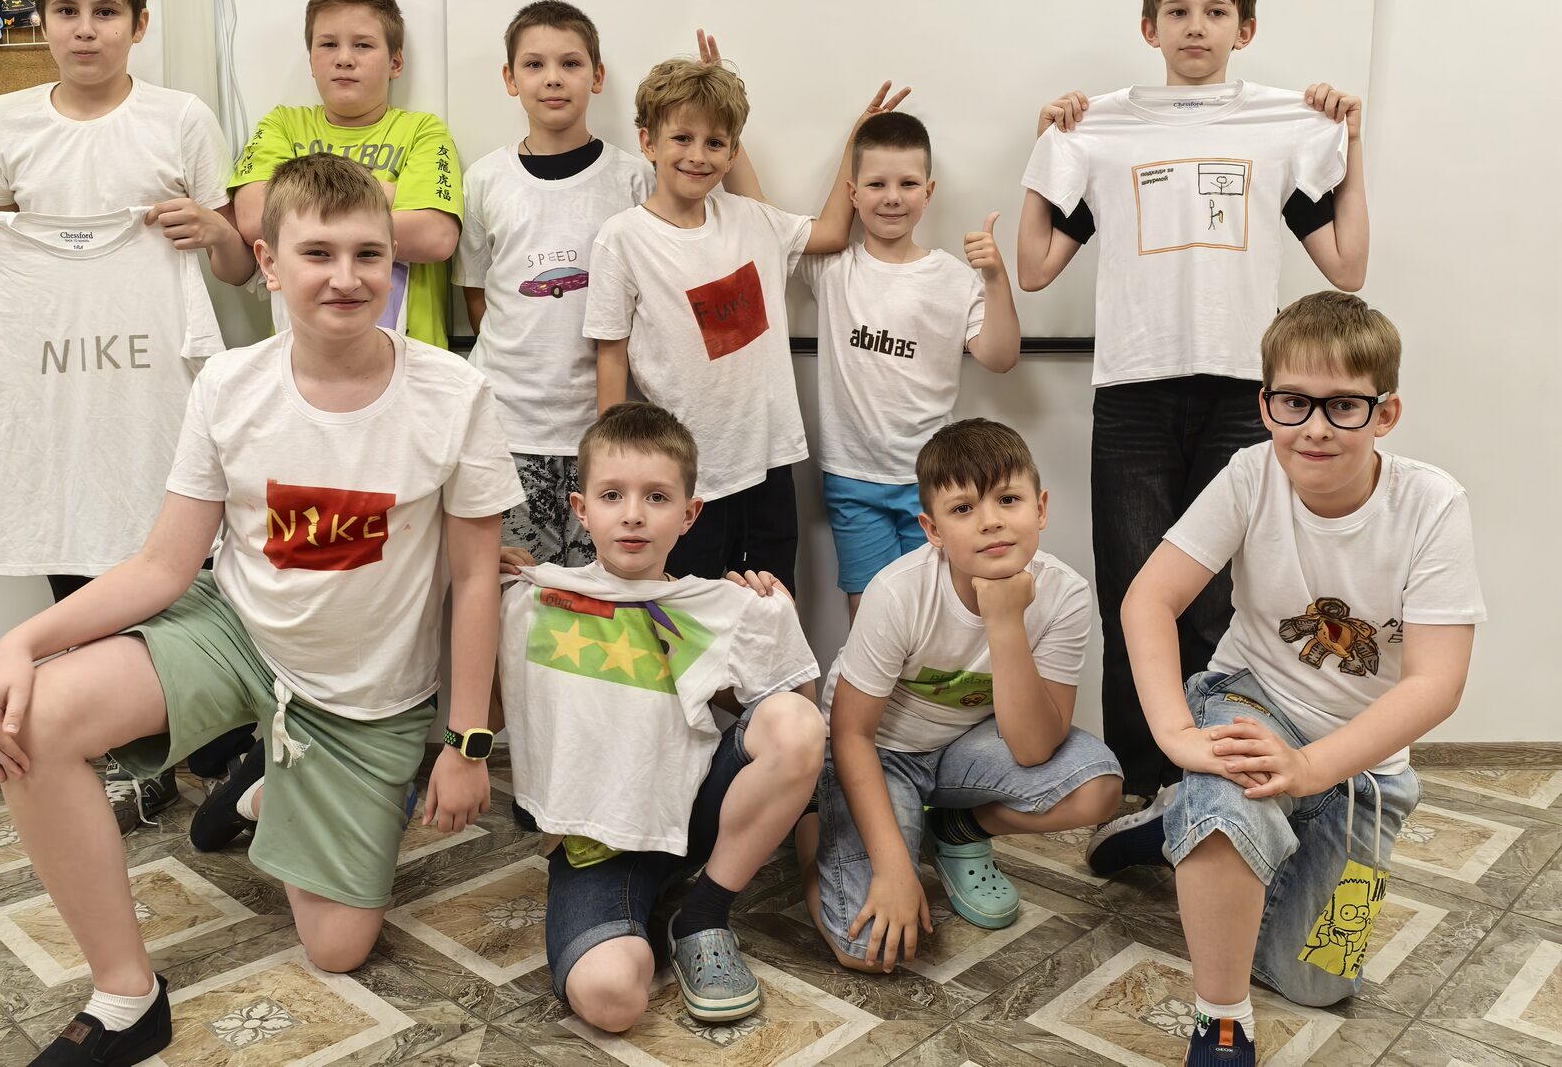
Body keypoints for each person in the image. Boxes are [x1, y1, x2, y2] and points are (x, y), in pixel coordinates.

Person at [0, 154, 523, 1067]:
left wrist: (466, 744)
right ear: (268, 263)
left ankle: (262, 789)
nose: (346, 277)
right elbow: (162, 566)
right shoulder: (229, 386)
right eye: (318, 254)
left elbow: (472, 581)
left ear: (393, 263)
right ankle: (125, 995)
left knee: (337, 948)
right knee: (38, 714)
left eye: (368, 254)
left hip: (362, 697)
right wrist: (20, 643)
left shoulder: (456, 394)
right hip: (237, 633)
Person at [1084, 292, 1483, 1066]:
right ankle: (1221, 1020)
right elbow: (1148, 600)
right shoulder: (1249, 474)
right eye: (1294, 402)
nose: (1315, 427)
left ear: (1385, 414)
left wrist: (1310, 768)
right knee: (1230, 804)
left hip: (1363, 769)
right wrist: (1177, 736)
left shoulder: (1432, 505)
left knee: (1316, 980)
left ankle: (1183, 825)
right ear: (1265, 405)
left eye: (1343, 406)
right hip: (1254, 697)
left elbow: (1436, 683)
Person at [1016, 0, 1371, 802]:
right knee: (1133, 595)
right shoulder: (1101, 130)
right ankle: (1142, 790)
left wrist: (1350, 145)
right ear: (1150, 29)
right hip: (1133, 394)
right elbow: (1033, 268)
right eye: (1178, 11)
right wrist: (1045, 151)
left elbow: (1347, 265)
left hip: (1241, 397)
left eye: (1215, 12)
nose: (1196, 26)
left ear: (1245, 30)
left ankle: (1204, 785)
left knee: (1213, 603)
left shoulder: (1282, 125)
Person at [0, 0, 252, 835]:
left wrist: (212, 232)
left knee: (182, 574)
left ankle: (212, 751)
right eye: (66, 11)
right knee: (74, 573)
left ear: (138, 24)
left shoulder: (181, 119)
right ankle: (121, 760)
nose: (85, 29)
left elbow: (237, 266)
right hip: (53, 405)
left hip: (154, 398)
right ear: (40, 23)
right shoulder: (7, 121)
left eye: (105, 12)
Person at [497, 401, 825, 1030]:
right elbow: (489, 708)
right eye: (612, 495)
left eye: (656, 497)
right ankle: (636, 911)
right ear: (580, 508)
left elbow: (800, 727)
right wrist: (478, 581)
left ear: (689, 514)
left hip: (693, 817)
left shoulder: (714, 607)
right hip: (598, 848)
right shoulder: (534, 598)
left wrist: (774, 613)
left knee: (797, 722)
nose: (633, 514)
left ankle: (702, 915)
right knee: (612, 999)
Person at [799, 419, 1121, 971]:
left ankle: (956, 827)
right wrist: (894, 871)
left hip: (965, 748)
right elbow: (850, 733)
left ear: (1041, 508)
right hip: (879, 755)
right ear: (933, 529)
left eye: (1008, 499)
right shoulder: (897, 593)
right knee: (868, 949)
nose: (991, 520)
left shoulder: (1065, 593)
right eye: (964, 508)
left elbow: (1034, 748)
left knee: (1099, 789)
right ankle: (813, 825)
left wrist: (1005, 620)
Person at [584, 50, 908, 588]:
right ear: (648, 142)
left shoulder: (754, 218)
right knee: (687, 619)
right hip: (683, 476)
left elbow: (831, 232)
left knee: (771, 609)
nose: (698, 156)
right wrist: (613, 468)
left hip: (769, 460)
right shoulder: (622, 240)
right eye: (682, 138)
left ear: (733, 152)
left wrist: (857, 141)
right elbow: (611, 356)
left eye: (715, 143)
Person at [799, 111, 1021, 618]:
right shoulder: (832, 269)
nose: (892, 197)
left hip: (935, 479)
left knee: (941, 610)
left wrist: (995, 278)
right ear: (853, 193)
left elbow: (1001, 357)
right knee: (871, 612)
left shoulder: (954, 278)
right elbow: (759, 216)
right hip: (852, 478)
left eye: (908, 184)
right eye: (876, 184)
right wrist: (853, 135)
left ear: (929, 192)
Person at [455, 0, 653, 565]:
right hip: (508, 428)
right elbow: (477, 293)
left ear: (597, 74)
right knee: (516, 591)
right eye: (534, 64)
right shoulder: (485, 179)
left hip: (604, 427)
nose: (553, 78)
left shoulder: (635, 178)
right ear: (510, 78)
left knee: (603, 592)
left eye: (570, 63)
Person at [230, 0, 463, 348]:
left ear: (395, 62)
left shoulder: (423, 131)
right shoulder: (281, 125)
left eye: (363, 45)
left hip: (413, 357)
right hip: (298, 358)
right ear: (311, 60)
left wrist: (302, 211)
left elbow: (435, 236)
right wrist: (388, 194)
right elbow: (253, 218)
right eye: (328, 44)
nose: (344, 59)